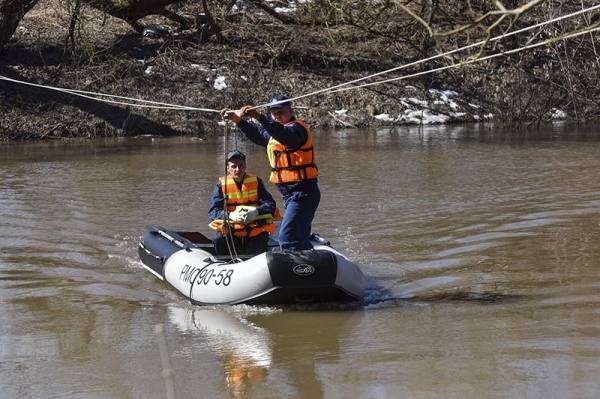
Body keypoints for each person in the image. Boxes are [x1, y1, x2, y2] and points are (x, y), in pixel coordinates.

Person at [220, 95, 320, 251]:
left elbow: (283, 134)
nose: (277, 115)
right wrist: (238, 120)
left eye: (281, 111)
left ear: (290, 110)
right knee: (298, 237)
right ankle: (312, 266)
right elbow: (258, 135)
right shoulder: (275, 133)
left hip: (303, 194)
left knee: (287, 238)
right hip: (291, 196)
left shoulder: (296, 129)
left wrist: (260, 117)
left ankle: (295, 272)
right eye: (273, 113)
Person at [208, 150, 279, 255]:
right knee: (218, 239)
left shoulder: (256, 181)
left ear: (245, 166)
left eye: (241, 165)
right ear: (228, 168)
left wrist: (256, 212)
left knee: (262, 236)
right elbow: (213, 211)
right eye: (233, 166)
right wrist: (230, 215)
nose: (238, 169)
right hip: (231, 232)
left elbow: (270, 205)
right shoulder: (221, 185)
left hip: (254, 230)